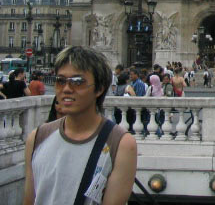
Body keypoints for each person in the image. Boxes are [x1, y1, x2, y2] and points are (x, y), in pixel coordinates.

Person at [23, 46, 137, 205]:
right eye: (60, 81)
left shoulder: (121, 144)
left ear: (99, 88)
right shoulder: (37, 138)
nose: (67, 89)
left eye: (77, 82)